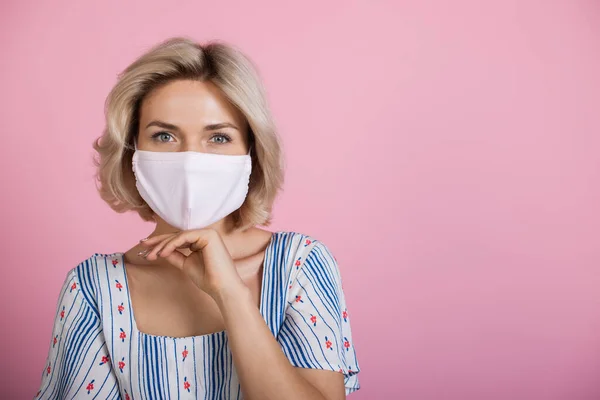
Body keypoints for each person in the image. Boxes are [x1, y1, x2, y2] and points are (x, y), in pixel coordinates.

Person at [34, 37, 360, 399]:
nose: (190, 161)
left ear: (252, 153)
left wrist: (230, 293)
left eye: (218, 137)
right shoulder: (94, 288)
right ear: (131, 152)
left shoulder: (299, 264)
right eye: (164, 135)